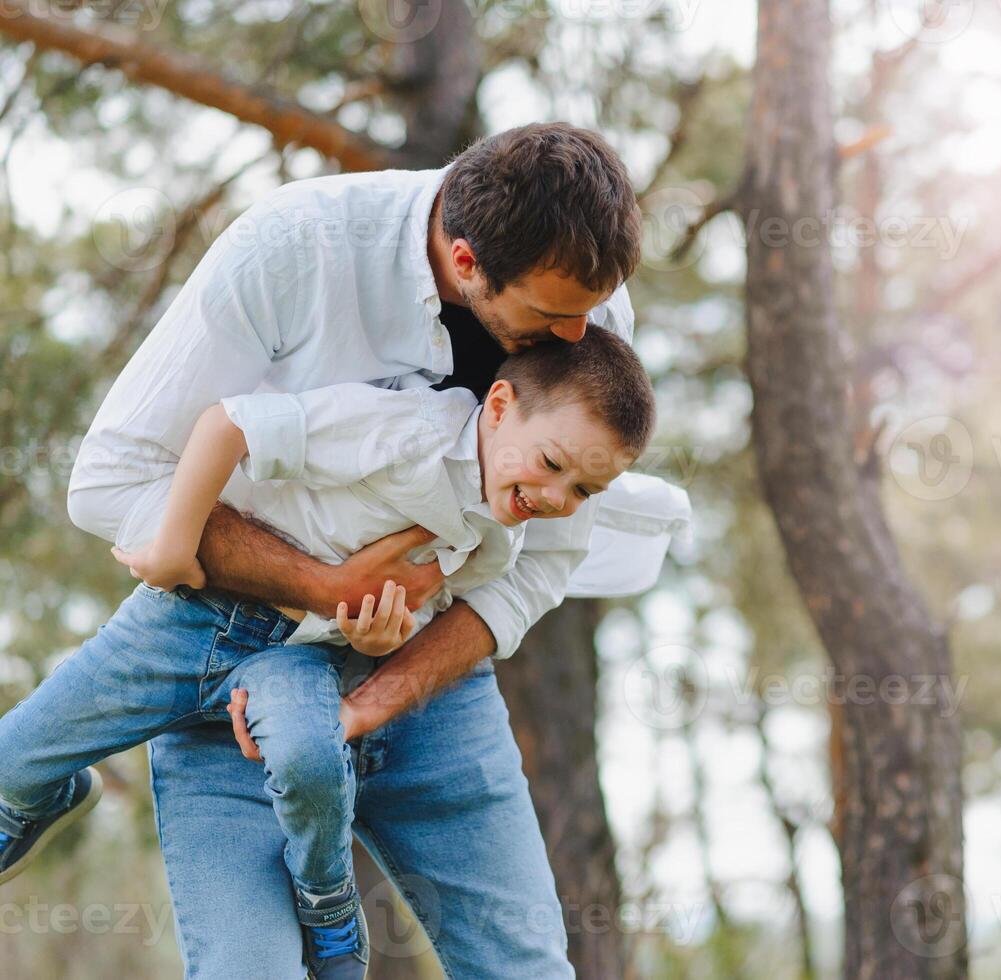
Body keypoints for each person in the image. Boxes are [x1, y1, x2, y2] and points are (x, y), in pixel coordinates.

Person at [58, 122, 688, 977]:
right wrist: (325, 585)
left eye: (592, 312)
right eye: (553, 316)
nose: (584, 335)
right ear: (467, 264)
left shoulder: (585, 306)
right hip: (230, 680)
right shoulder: (293, 248)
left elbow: (538, 566)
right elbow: (112, 482)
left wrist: (375, 700)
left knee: (526, 967)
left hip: (435, 689)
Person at [0, 329, 654, 980]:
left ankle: (325, 895)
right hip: (188, 619)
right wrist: (175, 542)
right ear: (502, 405)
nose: (555, 499)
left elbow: (431, 604)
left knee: (310, 760)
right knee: (18, 750)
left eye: (583, 492)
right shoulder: (404, 432)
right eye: (551, 464)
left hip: (297, 656)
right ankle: (36, 795)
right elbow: (231, 424)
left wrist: (381, 637)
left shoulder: (500, 536)